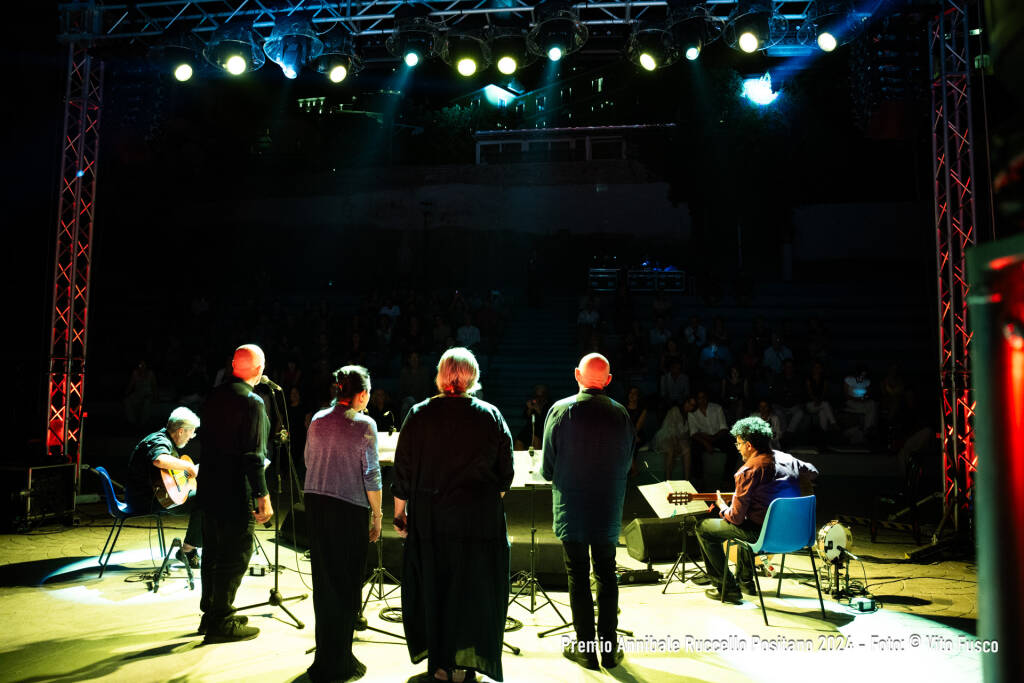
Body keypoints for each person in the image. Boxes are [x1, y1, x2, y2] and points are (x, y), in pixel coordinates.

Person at [392, 347, 513, 683]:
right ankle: (466, 666)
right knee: (474, 592)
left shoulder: (417, 414)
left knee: (436, 590)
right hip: (478, 522)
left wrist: (400, 515)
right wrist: (484, 500)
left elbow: (403, 471)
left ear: (440, 375)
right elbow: (505, 474)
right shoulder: (490, 415)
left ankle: (442, 667)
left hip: (432, 520)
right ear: (472, 377)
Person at [542, 353, 634, 670]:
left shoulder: (560, 410)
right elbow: (627, 461)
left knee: (578, 576)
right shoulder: (621, 414)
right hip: (607, 508)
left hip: (572, 509)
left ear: (577, 375)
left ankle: (585, 651)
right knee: (607, 576)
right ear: (608, 380)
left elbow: (547, 468)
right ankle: (609, 651)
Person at [304, 366, 383, 683]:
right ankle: (341, 661)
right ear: (361, 394)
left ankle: (325, 656)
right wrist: (377, 515)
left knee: (324, 583)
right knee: (348, 583)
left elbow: (309, 460)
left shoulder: (317, 419)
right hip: (348, 508)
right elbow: (371, 474)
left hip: (316, 504)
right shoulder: (365, 424)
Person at [694, 417, 819, 603]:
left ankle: (726, 587)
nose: (737, 447)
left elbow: (735, 518)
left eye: (738, 443)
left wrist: (722, 506)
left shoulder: (747, 471)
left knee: (704, 528)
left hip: (764, 536)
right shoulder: (789, 459)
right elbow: (814, 472)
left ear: (749, 445)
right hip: (796, 535)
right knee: (751, 519)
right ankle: (746, 582)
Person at [198, 344, 273, 643]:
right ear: (259, 369)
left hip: (209, 489)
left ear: (233, 365)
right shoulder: (253, 402)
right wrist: (262, 495)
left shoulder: (213, 396)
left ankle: (212, 612)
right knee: (236, 554)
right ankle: (222, 621)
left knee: (213, 553)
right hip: (234, 492)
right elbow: (253, 456)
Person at [125, 406, 203, 568]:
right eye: (192, 432)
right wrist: (188, 467)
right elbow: (159, 460)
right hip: (145, 499)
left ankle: (193, 546)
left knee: (205, 497)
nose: (192, 437)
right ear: (181, 431)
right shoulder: (159, 441)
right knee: (206, 499)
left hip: (157, 495)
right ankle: (188, 550)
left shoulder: (164, 439)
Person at [687, 390, 735, 489]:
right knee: (694, 448)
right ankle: (699, 479)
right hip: (704, 438)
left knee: (733, 448)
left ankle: (727, 479)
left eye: (703, 397)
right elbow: (693, 433)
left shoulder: (717, 408)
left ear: (707, 398)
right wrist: (706, 443)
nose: (702, 400)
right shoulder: (692, 413)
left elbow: (724, 428)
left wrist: (713, 439)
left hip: (719, 436)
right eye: (699, 398)